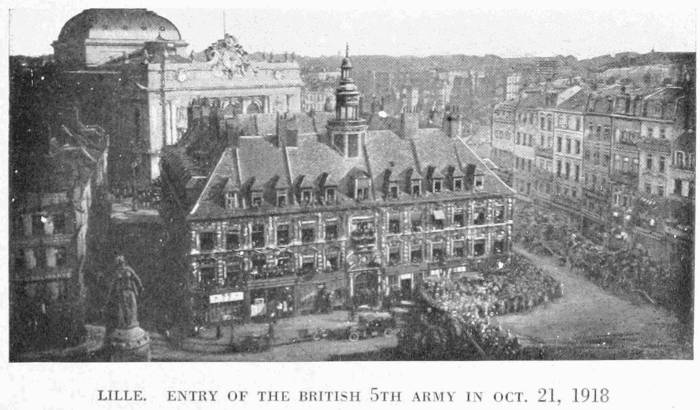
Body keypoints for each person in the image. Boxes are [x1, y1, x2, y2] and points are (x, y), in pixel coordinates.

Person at [106, 255, 144, 331]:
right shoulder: (117, 273)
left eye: (122, 263)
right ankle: (126, 323)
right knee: (125, 308)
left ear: (124, 263)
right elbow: (113, 284)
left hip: (130, 290)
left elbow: (136, 278)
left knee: (133, 305)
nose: (121, 265)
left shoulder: (129, 270)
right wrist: (110, 294)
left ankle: (133, 322)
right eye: (119, 263)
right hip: (121, 292)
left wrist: (140, 286)